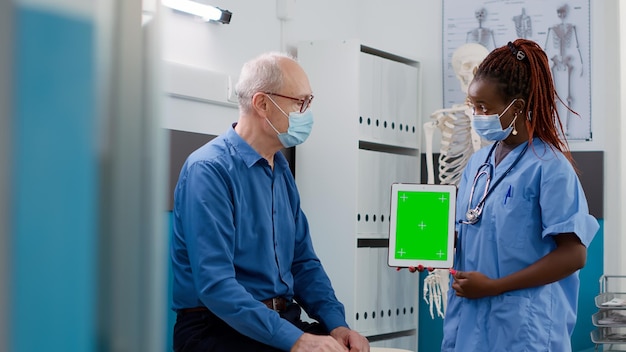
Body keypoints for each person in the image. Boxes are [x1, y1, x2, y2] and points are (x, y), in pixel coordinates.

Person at [170, 51, 370, 352]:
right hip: (217, 329)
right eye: (299, 102)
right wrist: (298, 341)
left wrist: (336, 325)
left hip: (278, 321)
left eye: (309, 102)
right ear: (262, 104)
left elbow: (303, 263)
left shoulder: (280, 169)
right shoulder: (209, 170)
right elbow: (216, 286)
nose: (306, 113)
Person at [442, 39, 599, 351]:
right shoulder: (478, 164)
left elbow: (574, 254)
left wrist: (494, 287)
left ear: (516, 108)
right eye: (473, 106)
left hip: (523, 328)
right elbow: (475, 231)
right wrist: (431, 245)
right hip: (469, 323)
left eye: (484, 108)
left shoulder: (550, 167)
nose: (476, 115)